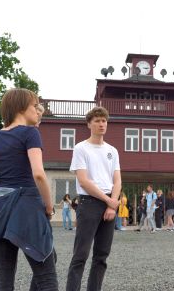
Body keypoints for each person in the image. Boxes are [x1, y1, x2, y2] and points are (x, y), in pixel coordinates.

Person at [0, 88, 58, 290]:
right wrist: (49, 206)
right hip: (26, 204)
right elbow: (38, 174)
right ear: (20, 108)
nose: (37, 110)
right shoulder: (30, 133)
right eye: (34, 106)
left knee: (3, 274)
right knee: (46, 273)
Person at [66, 106, 121, 291]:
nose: (101, 124)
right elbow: (83, 180)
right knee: (80, 255)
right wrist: (109, 202)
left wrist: (112, 205)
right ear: (89, 124)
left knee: (101, 256)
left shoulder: (112, 150)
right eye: (97, 121)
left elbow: (117, 179)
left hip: (109, 203)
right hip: (89, 203)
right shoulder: (81, 148)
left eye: (104, 120)